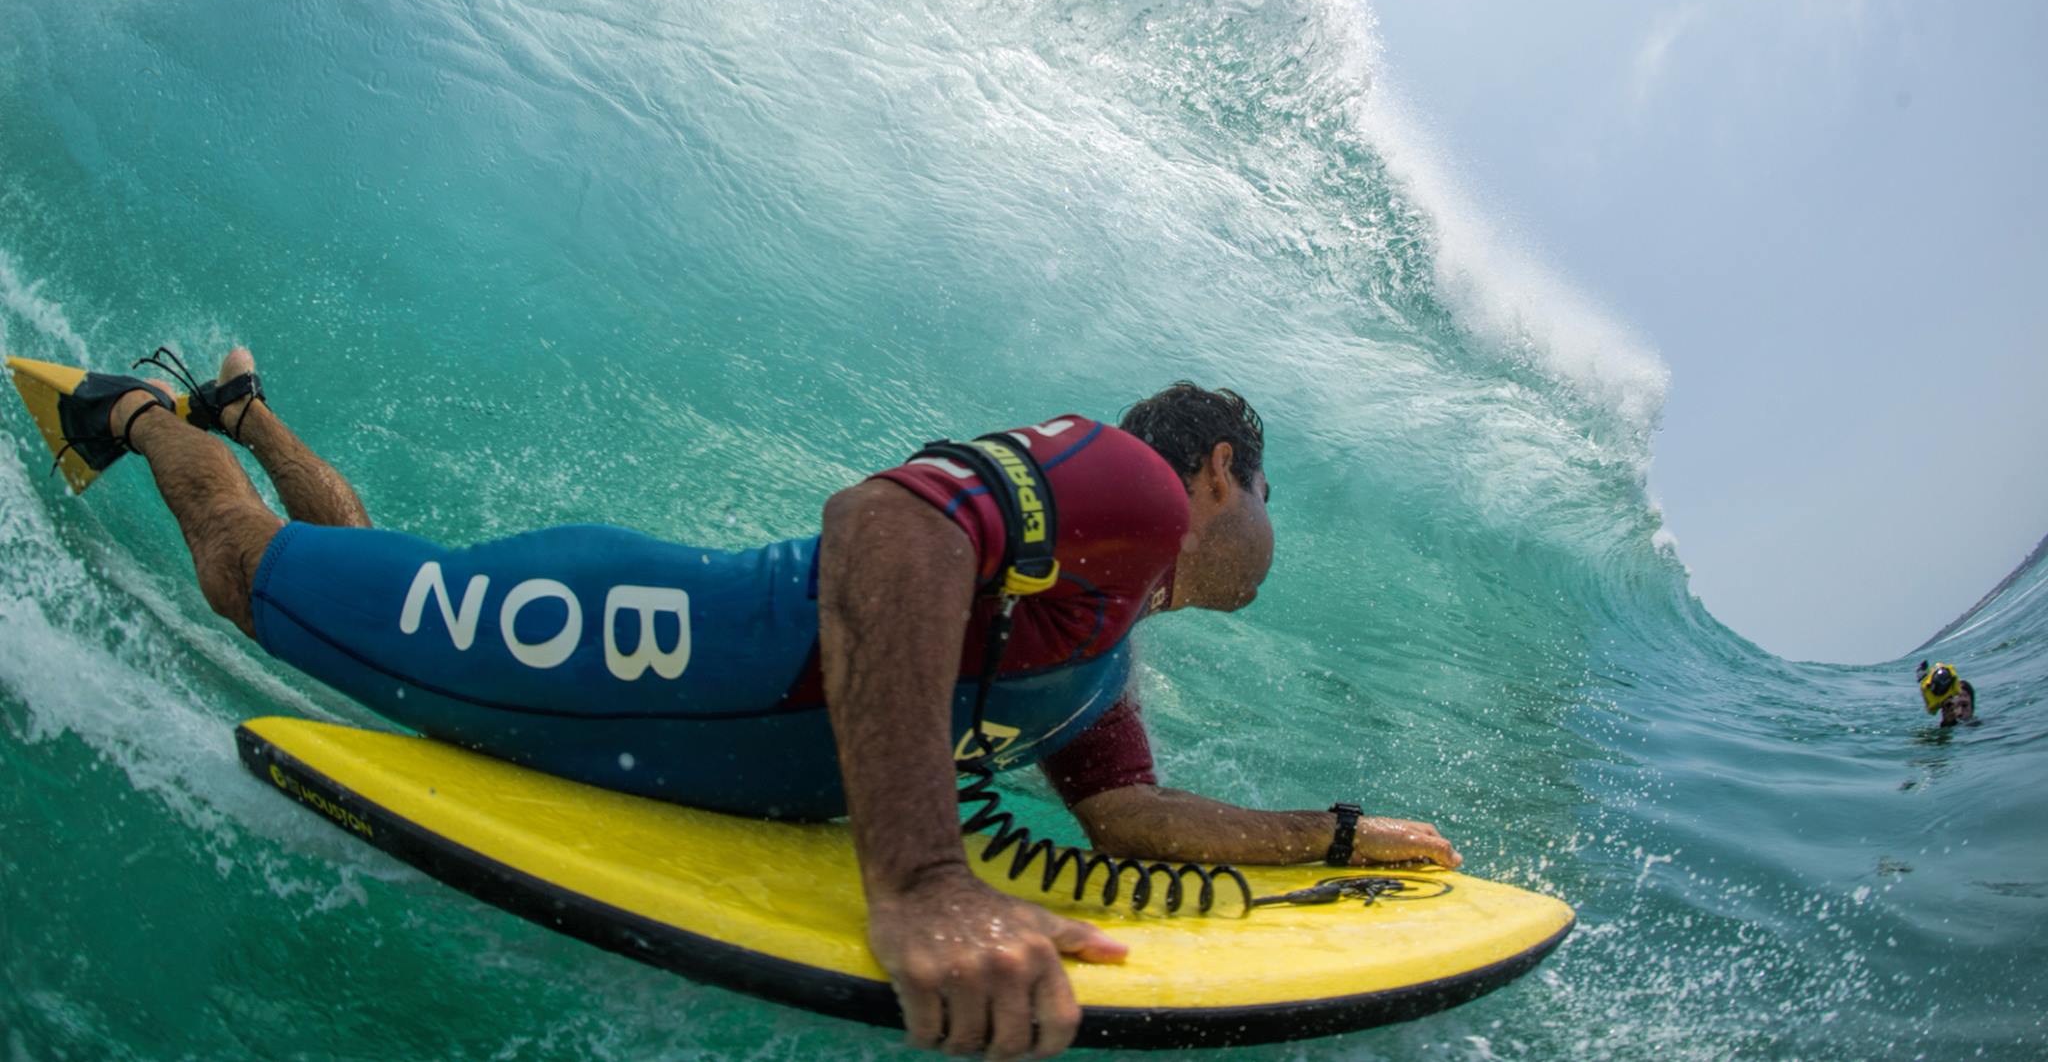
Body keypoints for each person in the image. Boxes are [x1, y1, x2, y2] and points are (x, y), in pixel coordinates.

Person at [34, 347, 1461, 1061]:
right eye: (1274, 497)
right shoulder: (1128, 484)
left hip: (641, 698)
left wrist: (1332, 832)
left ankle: (247, 413)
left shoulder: (1098, 645)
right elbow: (885, 527)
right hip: (621, 639)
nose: (1276, 534)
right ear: (1218, 470)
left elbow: (1129, 815)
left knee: (362, 559)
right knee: (254, 578)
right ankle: (148, 406)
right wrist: (917, 876)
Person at [1916, 660, 1976, 728]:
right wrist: (1947, 723)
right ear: (1943, 710)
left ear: (1973, 708)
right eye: (1949, 705)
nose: (1959, 713)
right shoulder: (1937, 733)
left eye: (1964, 705)